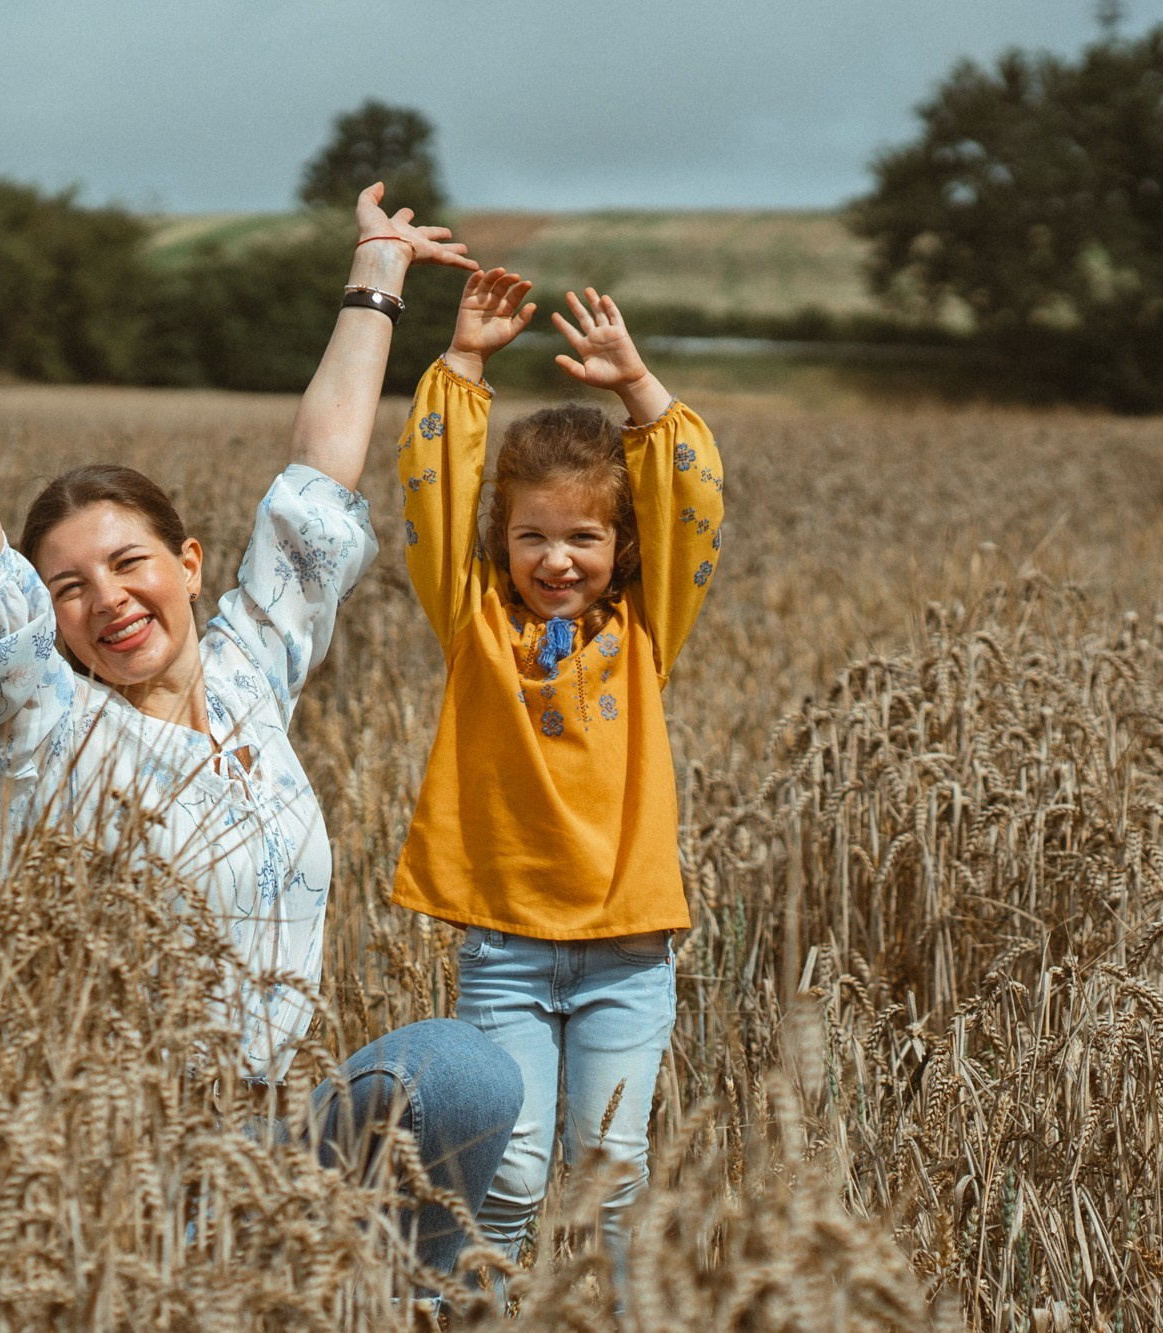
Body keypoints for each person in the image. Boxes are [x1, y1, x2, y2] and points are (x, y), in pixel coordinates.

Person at [0, 184, 522, 1276]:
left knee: (462, 1071)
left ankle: (419, 1299)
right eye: (67, 588)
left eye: (128, 565)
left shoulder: (252, 675)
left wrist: (378, 271)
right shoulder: (46, 729)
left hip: (282, 1137)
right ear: (47, 622)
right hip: (130, 1163)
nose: (106, 599)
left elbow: (320, 469)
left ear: (189, 567)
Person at [387, 269, 725, 1293]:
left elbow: (694, 496)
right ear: (499, 542)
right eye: (531, 534)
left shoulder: (646, 629)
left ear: (622, 549)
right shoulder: (473, 622)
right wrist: (461, 367)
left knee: (614, 1181)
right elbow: (430, 488)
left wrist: (639, 390)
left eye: (582, 536)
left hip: (628, 955)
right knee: (512, 1177)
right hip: (504, 949)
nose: (556, 557)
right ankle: (460, 1312)